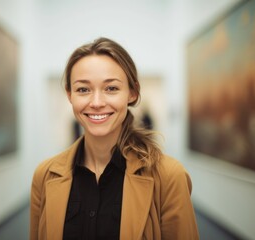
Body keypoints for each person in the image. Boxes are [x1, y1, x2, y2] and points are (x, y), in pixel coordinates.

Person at [30, 37, 199, 240]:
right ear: (70, 96)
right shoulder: (44, 175)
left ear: (132, 93)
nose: (97, 102)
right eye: (83, 89)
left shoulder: (170, 177)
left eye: (111, 88)